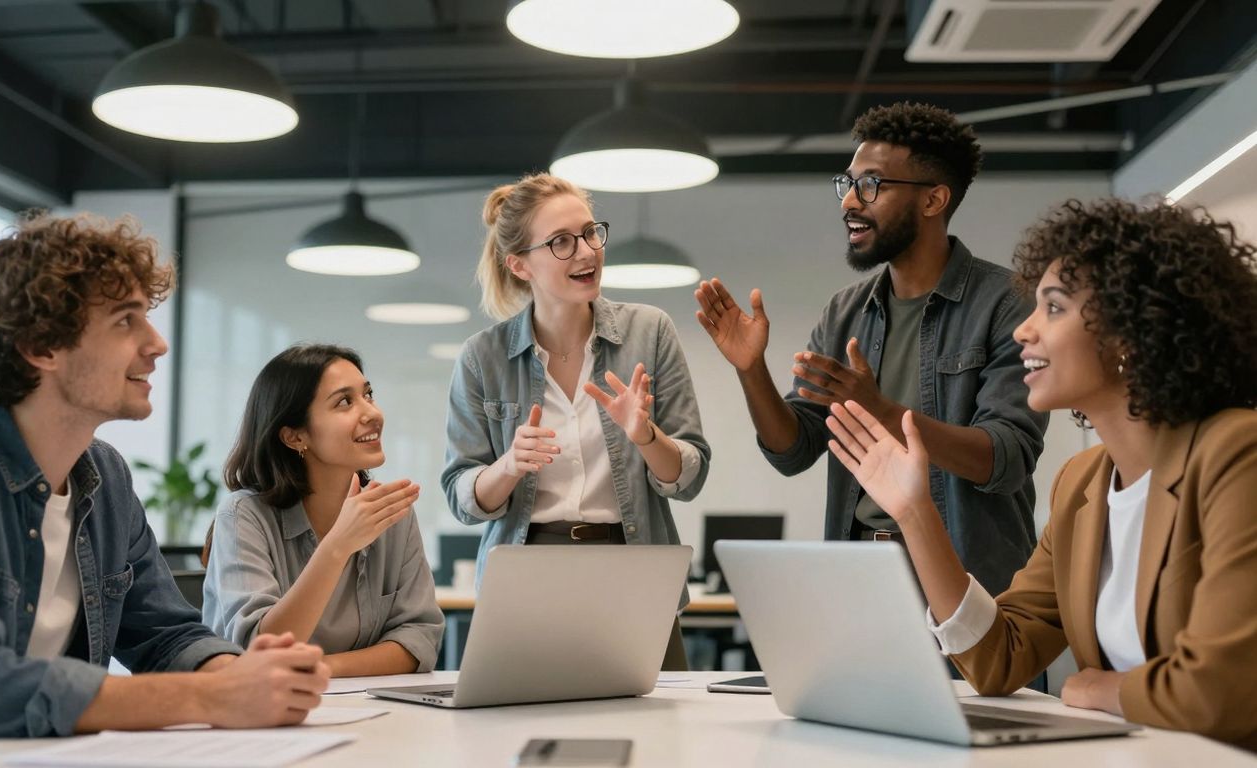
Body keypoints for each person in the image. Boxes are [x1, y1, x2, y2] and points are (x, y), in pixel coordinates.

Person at [0, 214, 329, 758]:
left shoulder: (106, 476)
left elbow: (166, 634)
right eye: (126, 321)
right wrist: (207, 696)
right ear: (41, 345)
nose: (157, 343)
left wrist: (250, 676)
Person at [826, 198, 1257, 750]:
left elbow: (1218, 691)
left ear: (1133, 330)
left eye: (1053, 308)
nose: (1023, 331)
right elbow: (999, 658)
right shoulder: (1083, 481)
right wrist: (915, 513)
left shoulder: (1235, 452)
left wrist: (1099, 689)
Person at [695, 102, 1047, 594]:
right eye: (848, 184)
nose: (849, 202)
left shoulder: (1008, 303)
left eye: (871, 185)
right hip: (862, 571)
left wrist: (882, 412)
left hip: (969, 575)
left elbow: (1004, 459)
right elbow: (793, 451)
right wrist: (751, 370)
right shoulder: (846, 312)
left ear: (933, 200)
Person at [441, 173, 710, 670]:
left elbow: (689, 476)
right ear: (520, 264)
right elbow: (462, 496)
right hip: (528, 574)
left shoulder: (649, 332)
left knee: (660, 739)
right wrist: (509, 466)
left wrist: (646, 436)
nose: (586, 252)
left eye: (590, 233)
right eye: (561, 242)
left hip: (634, 569)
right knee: (519, 734)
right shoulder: (483, 357)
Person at [203, 345, 443, 675]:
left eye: (368, 394)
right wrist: (337, 547)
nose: (372, 413)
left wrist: (318, 669)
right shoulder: (243, 515)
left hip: (363, 712)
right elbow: (259, 652)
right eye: (345, 401)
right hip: (258, 717)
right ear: (294, 436)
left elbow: (419, 639)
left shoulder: (390, 514)